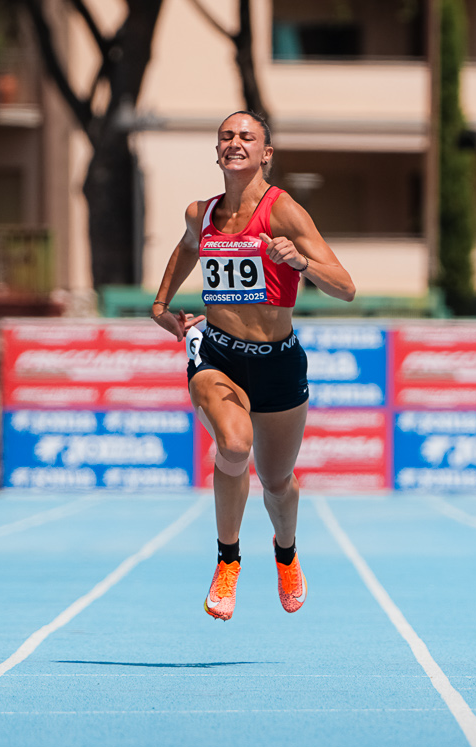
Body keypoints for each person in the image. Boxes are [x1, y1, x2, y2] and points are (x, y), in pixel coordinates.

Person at [151, 111, 356, 621]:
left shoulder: (283, 211)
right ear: (217, 150)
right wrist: (161, 305)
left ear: (266, 153)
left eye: (247, 136)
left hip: (277, 363)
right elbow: (188, 248)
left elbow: (346, 286)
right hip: (217, 354)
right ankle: (228, 560)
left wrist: (300, 262)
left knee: (278, 482)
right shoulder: (201, 213)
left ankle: (286, 555)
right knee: (234, 444)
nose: (235, 142)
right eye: (226, 136)